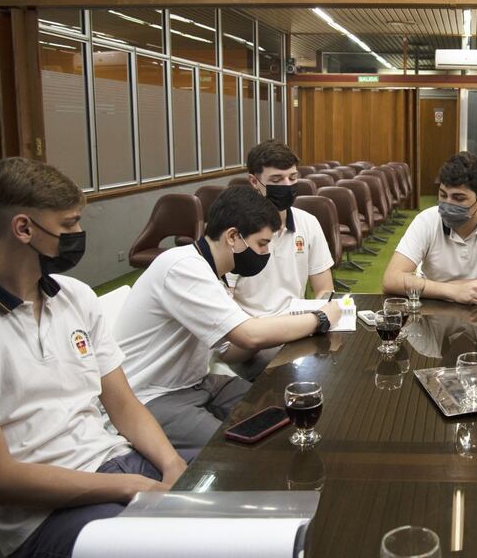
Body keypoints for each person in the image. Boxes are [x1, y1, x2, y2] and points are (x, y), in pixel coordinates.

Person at [0, 158, 187, 558]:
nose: (79, 234)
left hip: (115, 464)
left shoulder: (75, 297)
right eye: (68, 225)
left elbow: (123, 404)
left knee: (229, 483)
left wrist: (171, 465)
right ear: (23, 228)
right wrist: (132, 487)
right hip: (44, 514)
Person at [114, 186, 341, 450]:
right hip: (154, 395)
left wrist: (281, 330)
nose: (266, 254)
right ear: (233, 236)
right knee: (232, 452)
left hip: (198, 383)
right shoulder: (182, 267)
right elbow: (248, 334)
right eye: (262, 244)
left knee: (285, 416)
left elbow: (232, 350)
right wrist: (318, 319)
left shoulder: (212, 274)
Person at [226, 141, 335, 379]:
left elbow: (324, 289)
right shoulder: (235, 233)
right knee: (302, 377)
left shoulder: (308, 223)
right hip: (253, 341)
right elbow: (226, 307)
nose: (287, 186)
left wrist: (320, 311)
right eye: (276, 180)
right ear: (254, 182)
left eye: (292, 178)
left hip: (299, 329)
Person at [382, 152, 477, 304]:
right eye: (443, 195)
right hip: (435, 312)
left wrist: (465, 287)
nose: (448, 204)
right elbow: (391, 279)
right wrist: (451, 291)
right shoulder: (426, 220)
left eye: (459, 198)